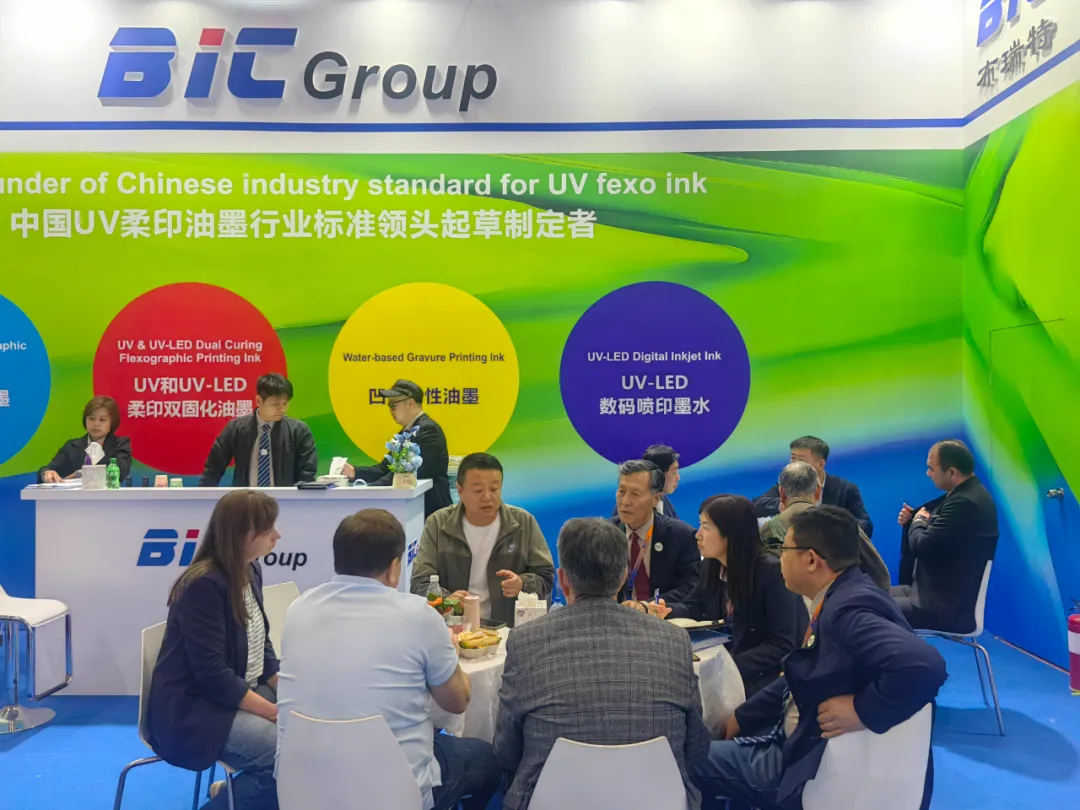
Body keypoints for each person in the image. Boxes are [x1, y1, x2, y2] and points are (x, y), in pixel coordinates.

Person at [693, 506, 947, 810]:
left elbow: (924, 665)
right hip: (798, 739)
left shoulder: (848, 611)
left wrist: (862, 709)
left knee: (685, 757)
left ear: (812, 560)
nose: (779, 558)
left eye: (784, 549)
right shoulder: (843, 593)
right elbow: (803, 672)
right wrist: (744, 716)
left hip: (801, 765)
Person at [276, 509, 501, 810]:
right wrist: (448, 649)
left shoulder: (299, 609)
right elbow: (457, 701)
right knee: (485, 758)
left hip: (302, 789)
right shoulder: (419, 615)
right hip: (395, 795)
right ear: (395, 568)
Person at [494, 517, 711, 810]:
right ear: (623, 577)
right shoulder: (674, 640)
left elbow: (506, 752)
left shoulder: (525, 641)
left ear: (562, 579)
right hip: (660, 800)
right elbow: (696, 748)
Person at [148, 490, 282, 810]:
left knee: (311, 732)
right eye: (268, 529)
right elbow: (212, 676)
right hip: (197, 711)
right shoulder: (204, 584)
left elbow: (260, 644)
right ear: (243, 534)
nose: (277, 536)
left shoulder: (250, 569)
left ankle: (233, 792)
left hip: (237, 692)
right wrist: (277, 714)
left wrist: (288, 689)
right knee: (290, 754)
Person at [658, 495, 807, 697]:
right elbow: (693, 607)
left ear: (731, 533)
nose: (698, 535)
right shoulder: (712, 564)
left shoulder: (771, 573)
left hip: (765, 676)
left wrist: (726, 666)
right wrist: (662, 610)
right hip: (725, 666)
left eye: (706, 527)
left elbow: (781, 645)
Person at [411, 452, 555, 627]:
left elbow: (546, 576)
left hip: (508, 629)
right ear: (460, 490)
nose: (487, 497)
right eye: (478, 490)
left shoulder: (523, 523)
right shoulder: (438, 524)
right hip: (454, 629)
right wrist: (447, 599)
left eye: (494, 489)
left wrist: (522, 583)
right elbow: (420, 582)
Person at [892, 439, 999, 633]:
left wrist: (917, 521)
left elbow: (921, 545)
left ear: (951, 472)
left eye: (931, 468)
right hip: (927, 594)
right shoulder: (966, 495)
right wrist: (914, 520)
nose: (928, 474)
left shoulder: (965, 503)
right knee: (867, 595)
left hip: (942, 608)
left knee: (865, 608)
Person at [760, 462, 891, 591]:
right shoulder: (842, 523)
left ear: (782, 493)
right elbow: (880, 576)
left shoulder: (765, 532)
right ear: (818, 491)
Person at [344, 379, 452, 518]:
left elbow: (405, 474)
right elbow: (385, 468)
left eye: (393, 405)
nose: (390, 411)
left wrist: (368, 490)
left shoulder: (428, 431)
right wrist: (354, 471)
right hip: (411, 509)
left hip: (430, 514)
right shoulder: (405, 433)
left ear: (410, 403)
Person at [609, 459, 701, 609]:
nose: (625, 502)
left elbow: (690, 588)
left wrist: (646, 606)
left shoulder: (681, 536)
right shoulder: (605, 534)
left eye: (635, 494)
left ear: (656, 499)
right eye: (621, 491)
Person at [199, 373, 317, 487]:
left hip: (284, 499)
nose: (282, 409)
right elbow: (213, 467)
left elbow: (307, 474)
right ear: (259, 401)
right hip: (245, 498)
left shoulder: (299, 431)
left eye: (285, 403)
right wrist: (203, 495)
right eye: (275, 404)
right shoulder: (236, 428)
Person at [752, 436, 873, 537]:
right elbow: (756, 505)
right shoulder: (787, 484)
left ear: (820, 464)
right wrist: (787, 504)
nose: (794, 465)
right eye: (793, 458)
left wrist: (835, 524)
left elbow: (866, 525)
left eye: (801, 460)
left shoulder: (845, 489)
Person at [38, 395, 131, 483]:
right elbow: (48, 469)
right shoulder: (71, 446)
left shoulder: (120, 444)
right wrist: (47, 473)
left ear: (112, 422)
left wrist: (80, 474)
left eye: (102, 420)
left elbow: (120, 473)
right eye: (91, 418)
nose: (96, 424)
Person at [610, 444, 682, 519]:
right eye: (674, 472)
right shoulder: (629, 505)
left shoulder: (663, 500)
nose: (678, 477)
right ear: (659, 474)